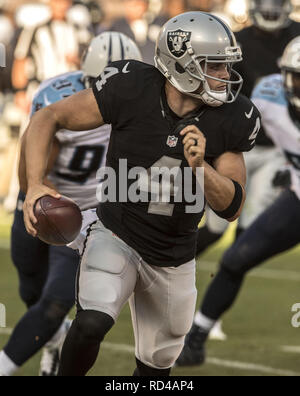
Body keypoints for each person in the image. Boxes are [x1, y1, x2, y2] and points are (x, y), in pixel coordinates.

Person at [22, 12, 260, 376]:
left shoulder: (232, 116)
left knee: (156, 367)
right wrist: (35, 183)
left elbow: (232, 206)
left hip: (175, 254)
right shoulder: (130, 86)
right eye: (214, 66)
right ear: (181, 64)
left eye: (226, 66)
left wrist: (201, 167)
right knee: (92, 322)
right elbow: (47, 118)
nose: (225, 76)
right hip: (117, 232)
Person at [0, 32, 142, 377]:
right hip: (44, 201)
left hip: (91, 218)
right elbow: (34, 153)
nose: (107, 96)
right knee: (31, 289)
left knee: (56, 302)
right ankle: (55, 338)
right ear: (85, 74)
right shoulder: (56, 94)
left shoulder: (145, 103)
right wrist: (33, 189)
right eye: (99, 84)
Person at [177, 0, 300, 354]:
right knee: (230, 247)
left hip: (280, 166)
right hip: (272, 172)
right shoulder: (268, 98)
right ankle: (196, 333)